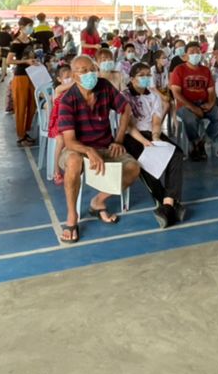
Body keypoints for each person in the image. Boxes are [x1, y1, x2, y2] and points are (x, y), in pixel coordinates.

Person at [55, 56, 141, 243]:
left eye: (91, 69)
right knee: (73, 161)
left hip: (106, 145)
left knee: (133, 168)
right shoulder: (67, 101)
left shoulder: (104, 86)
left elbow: (125, 108)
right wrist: (88, 151)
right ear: (74, 76)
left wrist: (118, 140)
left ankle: (98, 202)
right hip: (78, 148)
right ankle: (72, 216)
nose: (90, 74)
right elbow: (69, 141)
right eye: (83, 71)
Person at [122, 63, 187, 227]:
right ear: (132, 78)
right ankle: (170, 204)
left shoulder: (153, 95)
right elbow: (128, 125)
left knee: (176, 153)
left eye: (147, 75)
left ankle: (166, 205)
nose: (145, 78)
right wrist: (144, 142)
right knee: (148, 160)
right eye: (141, 75)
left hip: (151, 133)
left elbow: (156, 120)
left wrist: (156, 137)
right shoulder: (124, 96)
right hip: (132, 136)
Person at [169, 41, 218, 161]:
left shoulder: (206, 70)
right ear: (186, 55)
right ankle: (194, 143)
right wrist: (193, 108)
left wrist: (210, 103)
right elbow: (176, 93)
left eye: (198, 52)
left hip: (203, 103)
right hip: (185, 105)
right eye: (192, 52)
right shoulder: (179, 70)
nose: (195, 54)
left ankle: (202, 142)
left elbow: (211, 91)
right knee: (190, 119)